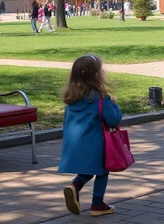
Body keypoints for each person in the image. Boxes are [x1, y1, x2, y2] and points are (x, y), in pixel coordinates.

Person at [59, 55, 123, 217]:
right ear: (97, 75)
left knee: (91, 168)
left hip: (74, 142)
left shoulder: (71, 99)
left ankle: (75, 186)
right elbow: (113, 120)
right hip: (95, 142)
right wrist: (114, 105)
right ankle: (97, 204)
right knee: (102, 171)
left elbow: (66, 123)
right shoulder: (100, 99)